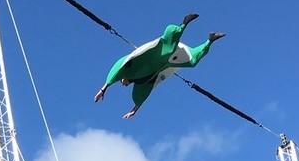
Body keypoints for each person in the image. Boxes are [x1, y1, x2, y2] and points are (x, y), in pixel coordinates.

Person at [94, 12, 225, 119]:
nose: (123, 85)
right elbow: (140, 98)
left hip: (156, 54)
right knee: (192, 62)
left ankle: (184, 22)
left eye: (122, 82)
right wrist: (133, 111)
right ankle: (210, 40)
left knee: (168, 48)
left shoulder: (128, 70)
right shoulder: (142, 83)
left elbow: (115, 73)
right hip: (167, 63)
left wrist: (103, 90)